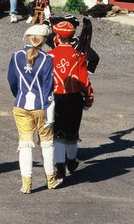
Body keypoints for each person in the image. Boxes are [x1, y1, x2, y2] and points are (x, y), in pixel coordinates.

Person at [7, 24, 63, 192]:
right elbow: (48, 87)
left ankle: (26, 184)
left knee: (25, 144)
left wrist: (19, 95)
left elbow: (12, 81)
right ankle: (51, 179)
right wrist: (47, 106)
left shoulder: (16, 56)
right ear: (44, 41)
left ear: (28, 37)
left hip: (21, 105)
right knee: (46, 144)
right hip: (41, 107)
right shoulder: (47, 59)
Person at [47, 21, 94, 180]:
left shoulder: (49, 56)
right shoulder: (79, 56)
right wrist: (88, 99)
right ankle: (72, 162)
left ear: (57, 36)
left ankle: (60, 168)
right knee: (72, 133)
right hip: (74, 99)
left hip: (56, 98)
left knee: (58, 134)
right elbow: (85, 81)